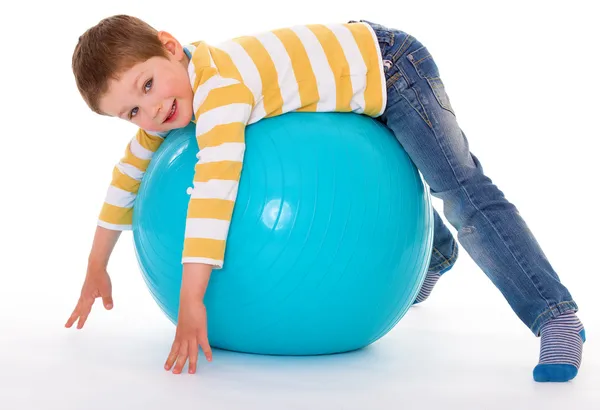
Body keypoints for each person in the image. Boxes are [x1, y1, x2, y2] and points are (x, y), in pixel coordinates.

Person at [65, 14, 585, 382]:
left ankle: (555, 315)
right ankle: (437, 255)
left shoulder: (220, 90)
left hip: (391, 68)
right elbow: (127, 175)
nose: (151, 113)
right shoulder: (176, 102)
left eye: (147, 85)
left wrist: (191, 299)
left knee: (462, 192)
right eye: (131, 112)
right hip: (350, 71)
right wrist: (95, 263)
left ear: (171, 46)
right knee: (412, 186)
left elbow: (215, 191)